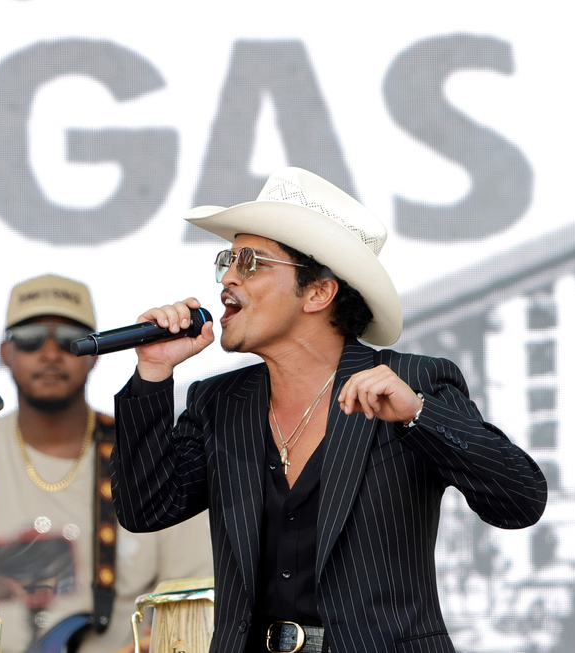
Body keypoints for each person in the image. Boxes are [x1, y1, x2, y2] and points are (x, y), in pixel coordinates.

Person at [109, 167, 548, 653]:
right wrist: (152, 372)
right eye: (226, 261)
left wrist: (418, 416)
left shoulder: (415, 383)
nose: (228, 278)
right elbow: (144, 508)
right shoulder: (219, 403)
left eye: (251, 262)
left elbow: (520, 501)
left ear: (319, 291)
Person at [0, 273, 213, 653]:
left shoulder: (150, 457)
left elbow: (197, 601)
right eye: (31, 340)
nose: (50, 353)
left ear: (94, 353)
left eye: (68, 340)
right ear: (6, 353)